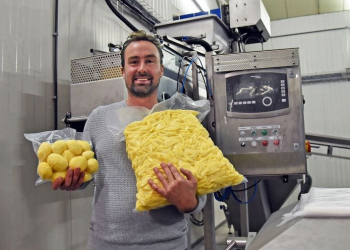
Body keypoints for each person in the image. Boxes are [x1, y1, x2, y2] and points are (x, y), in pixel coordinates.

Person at [52, 30, 206, 250]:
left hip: (167, 244)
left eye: (149, 61)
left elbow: (202, 192)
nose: (141, 68)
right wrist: (73, 180)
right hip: (105, 243)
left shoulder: (182, 120)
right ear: (123, 71)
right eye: (134, 62)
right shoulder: (99, 118)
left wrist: (189, 202)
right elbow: (86, 175)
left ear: (161, 70)